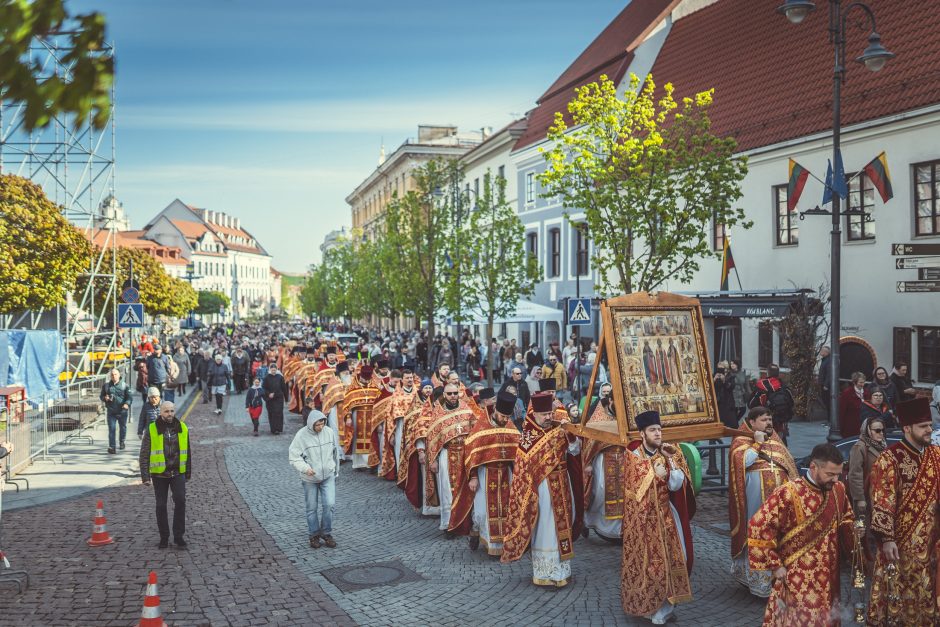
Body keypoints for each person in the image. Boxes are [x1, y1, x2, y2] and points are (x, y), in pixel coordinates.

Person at [747, 443, 858, 626]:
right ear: (813, 467)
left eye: (838, 474)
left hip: (830, 575)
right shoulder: (788, 492)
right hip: (795, 576)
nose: (836, 479)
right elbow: (758, 527)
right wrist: (775, 565)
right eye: (830, 474)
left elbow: (846, 516)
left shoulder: (838, 489)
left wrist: (853, 529)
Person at [866, 397, 940, 626]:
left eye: (930, 425)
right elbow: (882, 502)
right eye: (923, 426)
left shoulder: (936, 455)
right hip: (899, 545)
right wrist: (887, 540)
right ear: (907, 428)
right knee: (900, 599)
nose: (929, 430)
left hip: (931, 544)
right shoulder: (889, 459)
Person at [501, 392, 583, 588]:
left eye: (550, 413)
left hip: (562, 483)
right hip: (543, 489)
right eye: (545, 414)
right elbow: (524, 472)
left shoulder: (559, 430)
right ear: (534, 414)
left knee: (562, 525)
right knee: (546, 527)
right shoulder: (528, 438)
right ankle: (545, 572)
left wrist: (571, 437)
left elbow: (575, 452)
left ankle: (562, 570)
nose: (549, 417)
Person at [620, 411, 695, 624]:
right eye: (653, 430)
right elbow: (633, 488)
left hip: (667, 515)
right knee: (650, 564)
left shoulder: (669, 452)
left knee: (672, 559)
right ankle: (649, 607)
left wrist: (671, 462)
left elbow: (677, 484)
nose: (658, 433)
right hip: (643, 521)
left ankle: (666, 607)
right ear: (642, 433)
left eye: (659, 429)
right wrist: (654, 474)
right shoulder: (633, 455)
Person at [728, 407, 797, 598]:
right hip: (754, 499)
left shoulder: (775, 439)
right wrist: (757, 444)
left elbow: (788, 464)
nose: (769, 423)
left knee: (779, 536)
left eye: (770, 419)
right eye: (764, 419)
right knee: (757, 533)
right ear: (752, 422)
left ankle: (779, 578)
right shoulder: (741, 439)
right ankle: (758, 581)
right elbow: (743, 462)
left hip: (779, 500)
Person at [448, 390, 519, 555]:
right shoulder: (482, 426)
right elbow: (471, 453)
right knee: (482, 510)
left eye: (507, 417)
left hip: (505, 475)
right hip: (485, 474)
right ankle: (476, 530)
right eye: (502, 416)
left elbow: (517, 451)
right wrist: (472, 477)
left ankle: (502, 543)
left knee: (506, 509)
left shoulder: (509, 426)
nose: (505, 420)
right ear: (495, 411)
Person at [139, 401, 191, 549]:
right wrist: (145, 476)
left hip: (177, 472)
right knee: (161, 505)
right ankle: (164, 537)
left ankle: (179, 536)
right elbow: (144, 454)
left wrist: (187, 472)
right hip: (159, 474)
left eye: (172, 411)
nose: (170, 414)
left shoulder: (182, 427)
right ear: (161, 412)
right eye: (166, 411)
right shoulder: (152, 429)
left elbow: (187, 451)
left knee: (180, 501)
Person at [426, 382, 476, 534]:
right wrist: (432, 460)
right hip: (447, 455)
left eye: (455, 393)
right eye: (450, 394)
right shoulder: (438, 413)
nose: (453, 396)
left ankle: (466, 524)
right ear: (445, 395)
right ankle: (450, 525)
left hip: (465, 455)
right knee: (447, 490)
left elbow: (475, 432)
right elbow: (432, 437)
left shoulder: (467, 410)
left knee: (467, 489)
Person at [288, 410, 340, 549]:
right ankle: (314, 535)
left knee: (329, 505)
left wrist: (335, 469)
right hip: (310, 478)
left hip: (327, 475)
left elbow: (335, 452)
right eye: (317, 425)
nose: (320, 427)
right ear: (311, 424)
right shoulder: (301, 435)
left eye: (322, 424)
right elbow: (294, 456)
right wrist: (305, 468)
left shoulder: (329, 432)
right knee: (311, 508)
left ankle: (326, 533)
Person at [581, 392, 625, 542]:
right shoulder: (598, 416)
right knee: (600, 493)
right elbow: (590, 442)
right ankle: (589, 521)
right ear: (611, 400)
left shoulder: (625, 414)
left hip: (623, 459)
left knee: (623, 494)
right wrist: (587, 463)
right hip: (604, 459)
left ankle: (618, 531)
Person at [341, 364, 381, 468]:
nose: (367, 381)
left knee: (370, 438)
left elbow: (379, 402)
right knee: (357, 439)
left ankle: (370, 462)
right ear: (361, 376)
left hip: (371, 415)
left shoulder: (375, 385)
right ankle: (358, 463)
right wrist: (348, 417)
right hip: (357, 414)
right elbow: (347, 403)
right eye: (365, 379)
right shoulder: (352, 386)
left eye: (369, 379)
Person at [847, 416, 886, 516]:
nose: (881, 433)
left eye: (882, 430)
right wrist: (860, 499)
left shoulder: (882, 446)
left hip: (880, 496)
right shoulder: (860, 447)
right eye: (877, 430)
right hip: (865, 497)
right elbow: (855, 475)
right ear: (868, 430)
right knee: (862, 527)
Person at [748, 364, 794, 444]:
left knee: (766, 444)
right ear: (778, 373)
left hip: (765, 421)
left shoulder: (761, 386)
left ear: (767, 373)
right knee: (781, 443)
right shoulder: (784, 386)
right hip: (781, 421)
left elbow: (751, 404)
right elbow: (791, 403)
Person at [100, 367, 133, 454]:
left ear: (119, 375)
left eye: (115, 374)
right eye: (112, 375)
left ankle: (122, 441)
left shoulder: (124, 386)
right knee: (112, 429)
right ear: (110, 376)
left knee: (123, 428)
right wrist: (105, 398)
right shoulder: (106, 386)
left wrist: (127, 404)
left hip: (122, 411)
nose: (114, 376)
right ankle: (112, 447)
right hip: (111, 412)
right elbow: (101, 396)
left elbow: (130, 397)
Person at [838, 371, 867, 438]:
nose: (862, 384)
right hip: (850, 426)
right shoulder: (847, 393)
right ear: (854, 382)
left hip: (864, 425)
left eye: (863, 382)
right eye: (860, 382)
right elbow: (842, 412)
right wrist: (841, 427)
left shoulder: (866, 392)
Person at [261, 362, 288, 434]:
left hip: (279, 398)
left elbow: (284, 388)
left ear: (276, 370)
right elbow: (263, 388)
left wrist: (286, 398)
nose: (273, 371)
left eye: (274, 370)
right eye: (272, 370)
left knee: (278, 413)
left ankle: (278, 429)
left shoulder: (280, 377)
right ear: (270, 370)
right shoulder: (266, 378)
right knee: (272, 413)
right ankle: (273, 429)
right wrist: (268, 394)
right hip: (270, 399)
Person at [714, 360, 737, 429]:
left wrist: (724, 381)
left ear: (726, 368)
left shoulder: (731, 376)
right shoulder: (715, 374)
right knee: (718, 421)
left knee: (730, 422)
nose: (720, 370)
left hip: (727, 401)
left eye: (721, 368)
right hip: (718, 400)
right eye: (718, 368)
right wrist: (714, 379)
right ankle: (713, 438)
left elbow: (731, 387)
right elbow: (711, 387)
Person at [816, 346, 831, 416]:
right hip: (823, 384)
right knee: (825, 401)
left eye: (822, 350)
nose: (821, 351)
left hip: (826, 386)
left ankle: (830, 420)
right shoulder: (824, 360)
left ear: (826, 352)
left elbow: (829, 373)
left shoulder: (828, 361)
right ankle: (829, 419)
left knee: (827, 401)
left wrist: (826, 385)